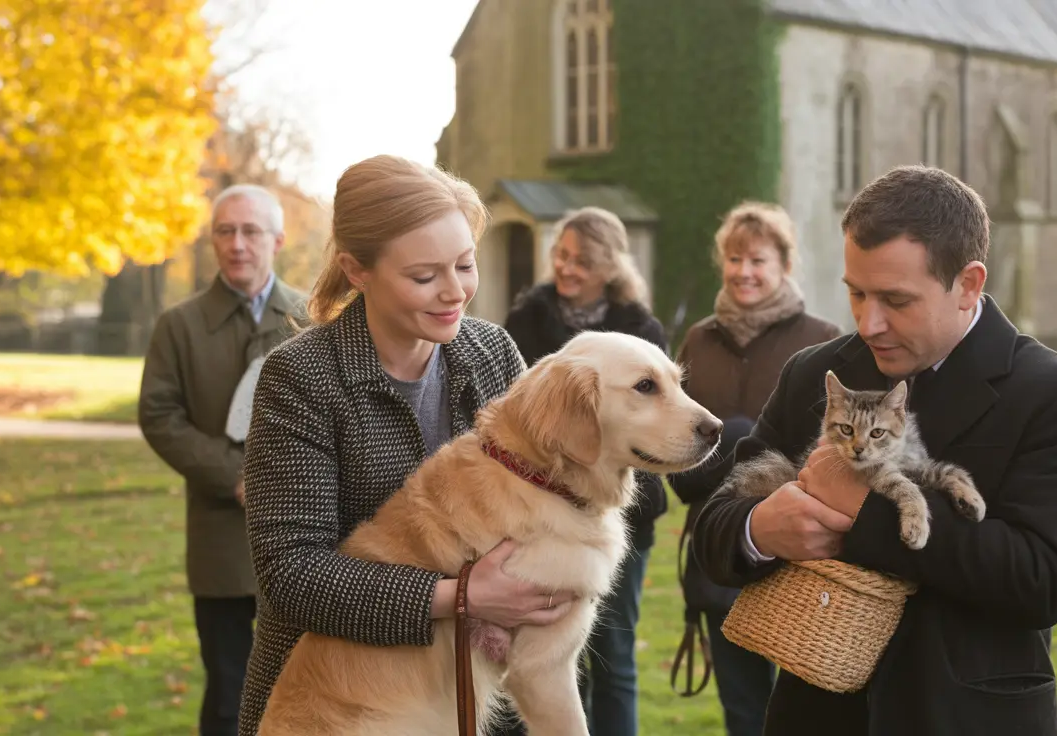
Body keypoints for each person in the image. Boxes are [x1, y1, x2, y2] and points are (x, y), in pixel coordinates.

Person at [691, 165, 1057, 736]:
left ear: (968, 284)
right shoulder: (815, 372)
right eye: (856, 293)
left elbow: (1044, 582)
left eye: (896, 300)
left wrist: (865, 511)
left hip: (968, 719)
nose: (869, 323)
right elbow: (716, 530)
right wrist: (760, 528)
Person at [235, 155, 575, 736]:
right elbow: (291, 576)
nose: (454, 292)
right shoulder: (301, 378)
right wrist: (461, 596)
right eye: (423, 277)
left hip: (471, 694)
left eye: (465, 265)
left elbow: (550, 495)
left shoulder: (492, 353)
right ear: (357, 270)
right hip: (334, 704)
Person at [667, 201, 841, 736]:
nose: (744, 271)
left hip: (801, 556)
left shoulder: (823, 339)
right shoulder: (698, 339)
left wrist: (740, 449)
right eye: (735, 258)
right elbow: (676, 450)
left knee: (806, 713)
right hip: (719, 547)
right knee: (743, 710)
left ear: (784, 266)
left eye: (758, 260)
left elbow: (833, 454)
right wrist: (731, 450)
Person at [139, 183, 306, 736]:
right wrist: (234, 477)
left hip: (305, 541)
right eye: (225, 231)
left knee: (308, 690)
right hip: (219, 541)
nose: (237, 244)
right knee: (228, 696)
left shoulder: (312, 317)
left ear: (277, 240)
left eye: (251, 231)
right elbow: (160, 415)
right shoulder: (178, 326)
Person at [502, 206, 667, 736]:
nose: (567, 268)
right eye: (562, 255)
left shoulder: (639, 328)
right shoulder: (526, 320)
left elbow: (658, 425)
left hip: (620, 516)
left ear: (610, 267)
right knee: (547, 652)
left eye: (583, 260)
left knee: (615, 655)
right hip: (543, 513)